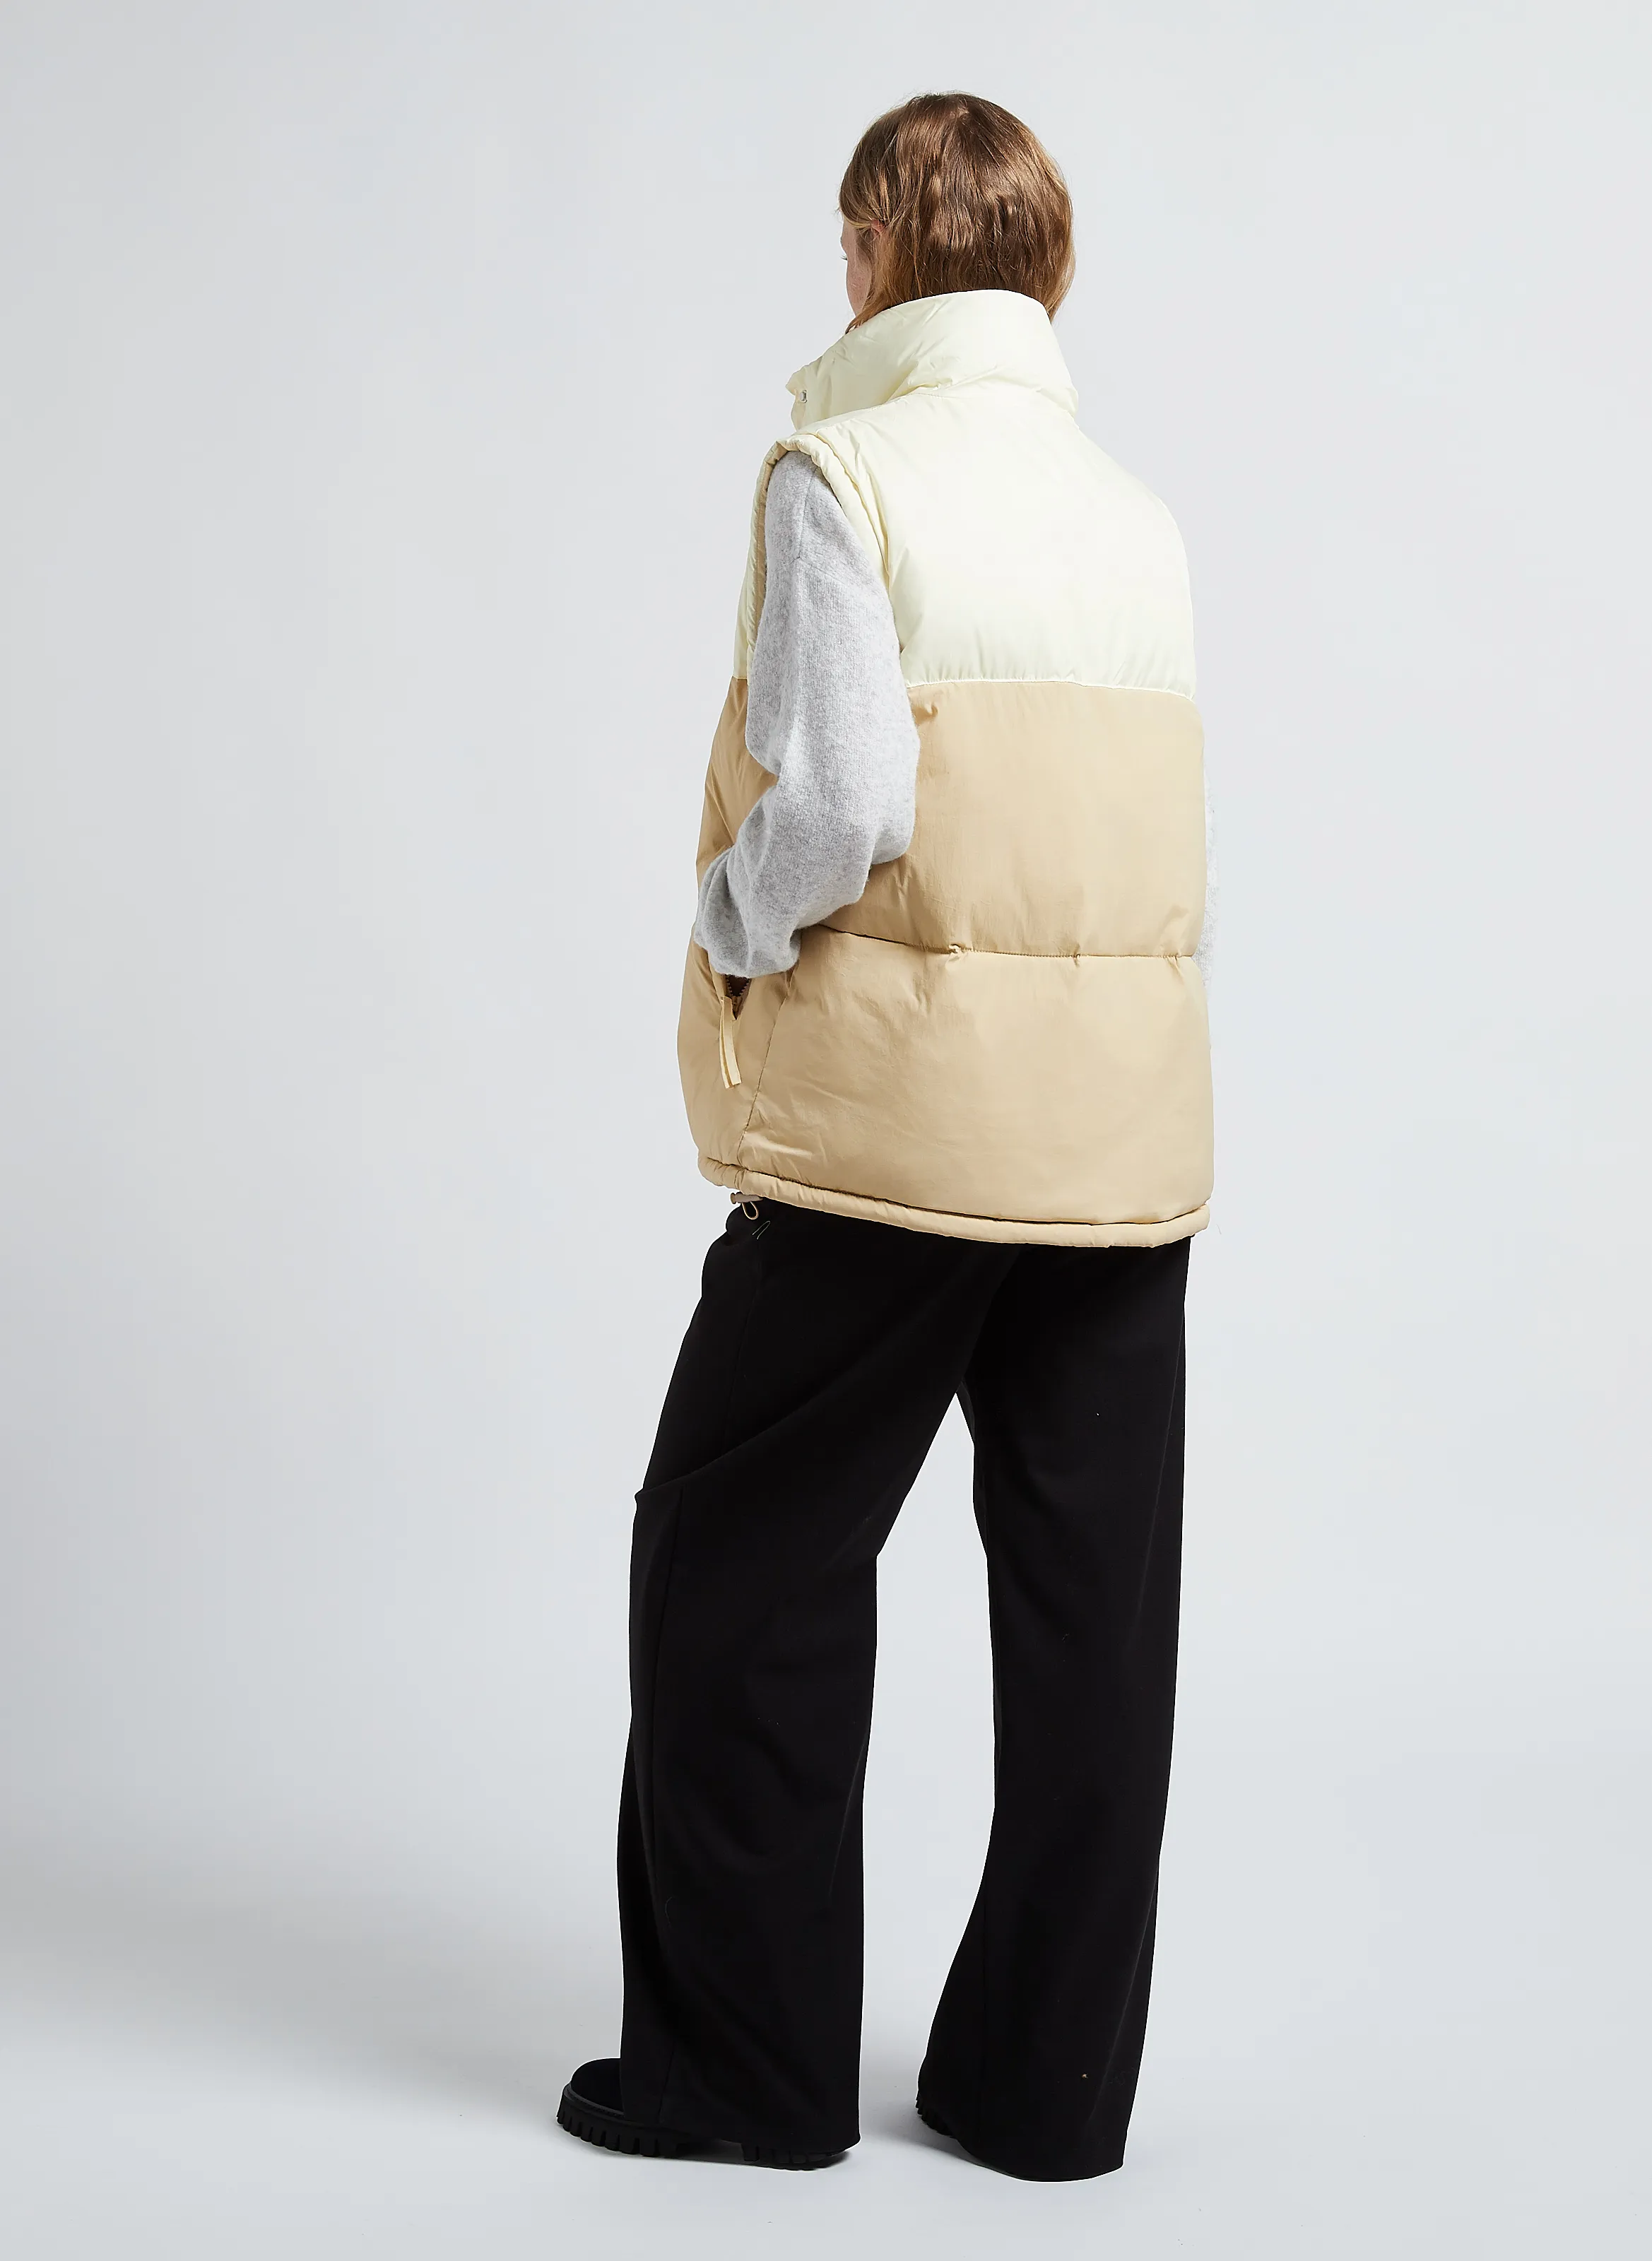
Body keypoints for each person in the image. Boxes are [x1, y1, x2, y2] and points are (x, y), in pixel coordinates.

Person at [558, 90, 1213, 2183]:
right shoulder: (1135, 517)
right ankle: (1044, 2101)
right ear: (1048, 270)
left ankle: (743, 2076)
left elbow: (842, 798)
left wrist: (729, 916)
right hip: (1119, 1144)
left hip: (895, 1132)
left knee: (736, 1563)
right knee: (1094, 1626)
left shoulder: (841, 473)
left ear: (869, 256)